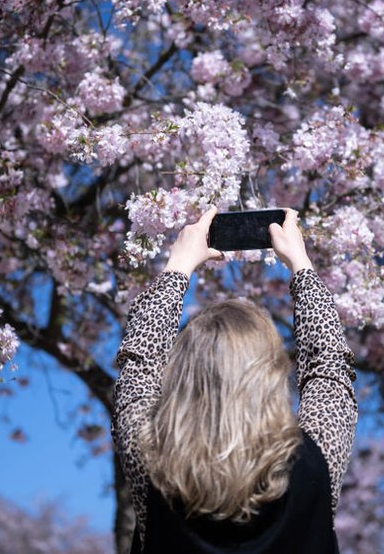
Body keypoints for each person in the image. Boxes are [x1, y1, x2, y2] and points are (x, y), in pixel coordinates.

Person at [111, 205, 358, 553]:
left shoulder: (153, 464)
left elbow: (139, 365)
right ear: (270, 376)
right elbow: (329, 366)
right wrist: (300, 265)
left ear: (182, 376)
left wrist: (178, 266)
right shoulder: (315, 462)